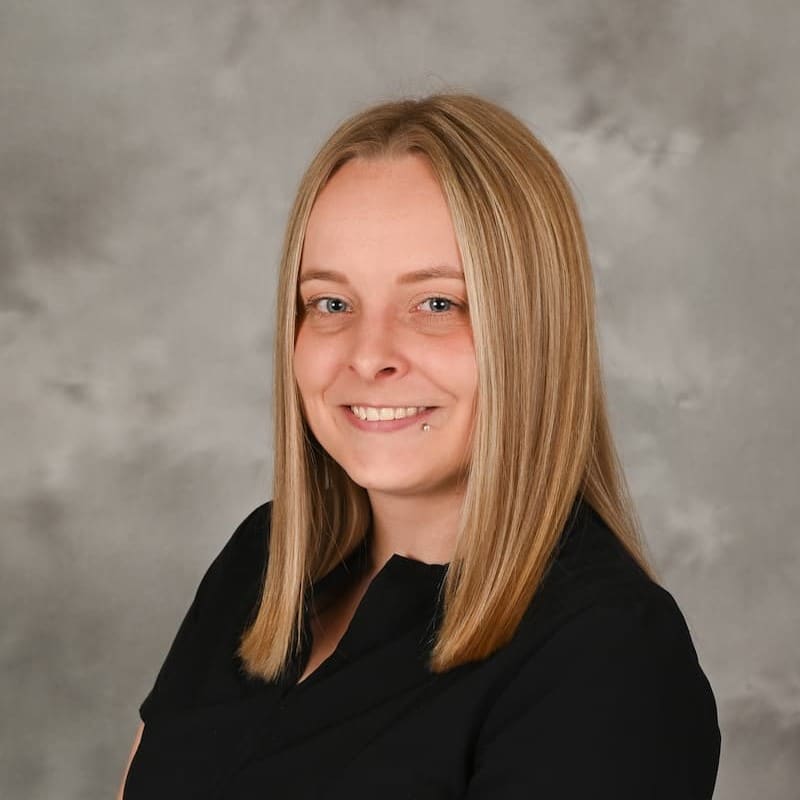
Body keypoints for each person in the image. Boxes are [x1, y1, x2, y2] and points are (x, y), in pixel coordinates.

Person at [117, 93, 721, 799]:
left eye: (437, 304)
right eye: (331, 304)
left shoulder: (609, 655)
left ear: (533, 332)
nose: (369, 355)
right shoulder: (263, 560)